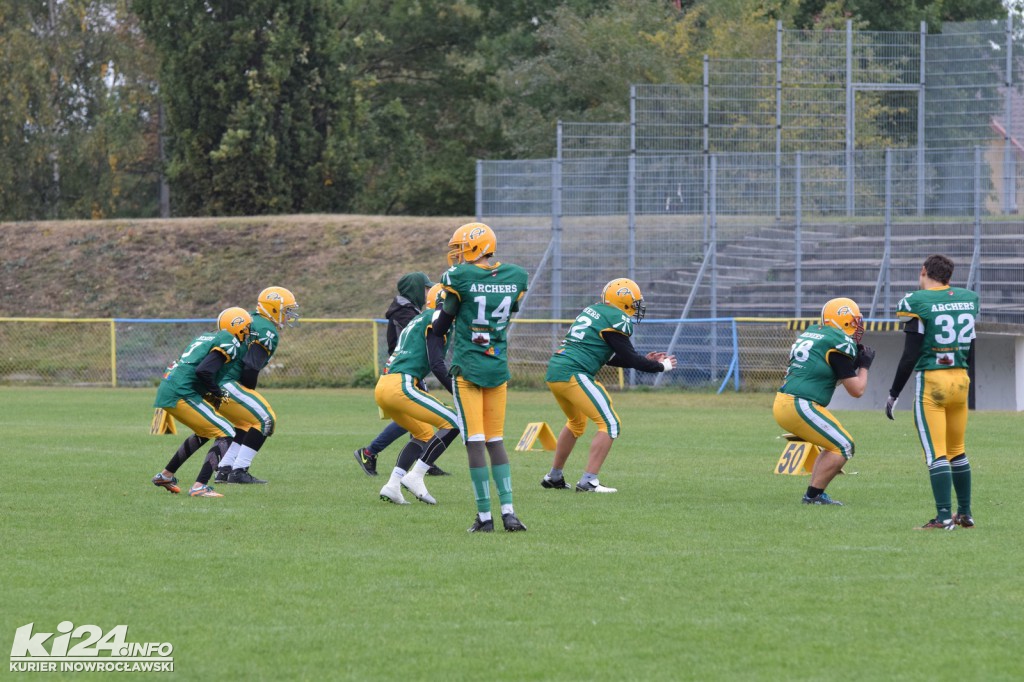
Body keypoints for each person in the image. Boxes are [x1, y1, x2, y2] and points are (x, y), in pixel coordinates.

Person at [428, 222, 529, 533]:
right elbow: (509, 305)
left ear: (475, 246)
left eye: (460, 248)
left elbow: (444, 322)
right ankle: (509, 513)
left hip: (468, 368)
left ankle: (484, 517)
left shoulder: (460, 278)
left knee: (474, 441)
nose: (457, 255)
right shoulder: (515, 276)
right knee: (496, 439)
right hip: (497, 368)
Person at [541, 278, 677, 493]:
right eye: (634, 302)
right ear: (623, 300)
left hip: (557, 370)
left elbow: (609, 357)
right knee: (610, 424)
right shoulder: (616, 317)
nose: (636, 307)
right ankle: (588, 481)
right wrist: (661, 367)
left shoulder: (595, 311)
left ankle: (554, 477)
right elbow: (630, 359)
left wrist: (645, 360)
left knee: (576, 423)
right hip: (574, 373)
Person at [885, 254, 979, 530]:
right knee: (957, 451)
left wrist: (893, 393)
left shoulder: (919, 302)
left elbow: (909, 356)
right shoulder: (967, 299)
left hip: (933, 382)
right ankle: (965, 513)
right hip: (960, 380)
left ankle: (943, 517)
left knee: (936, 454)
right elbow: (971, 346)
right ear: (950, 276)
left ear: (923, 271)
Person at [772, 297, 874, 506]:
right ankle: (813, 496)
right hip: (799, 404)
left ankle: (814, 494)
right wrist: (864, 365)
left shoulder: (817, 335)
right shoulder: (837, 343)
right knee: (844, 445)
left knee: (832, 444)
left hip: (787, 401)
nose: (858, 326)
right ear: (843, 321)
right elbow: (857, 390)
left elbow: (825, 369)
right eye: (854, 321)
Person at [354, 271, 449, 478]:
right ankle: (371, 452)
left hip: (404, 372)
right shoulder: (405, 313)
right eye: (425, 289)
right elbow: (415, 343)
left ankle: (416, 463)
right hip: (403, 372)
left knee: (415, 421)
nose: (428, 293)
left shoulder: (410, 311)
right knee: (418, 417)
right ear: (415, 289)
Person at [150, 307, 252, 498]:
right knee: (227, 432)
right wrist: (217, 393)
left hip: (172, 388)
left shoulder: (207, 337)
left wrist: (211, 393)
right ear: (236, 327)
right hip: (181, 391)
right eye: (245, 328)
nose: (247, 333)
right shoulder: (228, 340)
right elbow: (203, 371)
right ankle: (199, 486)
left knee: (205, 432)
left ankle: (165, 476)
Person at [375, 284, 460, 505]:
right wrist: (457, 392)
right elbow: (437, 363)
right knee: (453, 421)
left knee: (423, 434)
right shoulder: (434, 317)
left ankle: (393, 485)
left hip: (384, 385)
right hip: (400, 384)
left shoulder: (418, 319)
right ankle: (416, 475)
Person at [213, 286, 300, 485]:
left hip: (215, 382)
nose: (289, 315)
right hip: (228, 382)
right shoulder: (267, 331)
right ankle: (239, 471)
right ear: (274, 309)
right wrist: (248, 390)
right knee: (265, 419)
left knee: (245, 423)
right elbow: (250, 368)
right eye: (286, 310)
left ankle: (225, 470)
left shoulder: (252, 319)